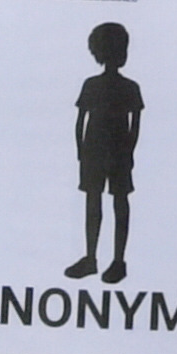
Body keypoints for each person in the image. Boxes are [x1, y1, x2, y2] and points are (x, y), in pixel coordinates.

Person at [66, 22, 142, 282]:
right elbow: (81, 121)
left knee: (117, 201)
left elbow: (134, 124)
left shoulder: (129, 87)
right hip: (96, 149)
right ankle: (91, 258)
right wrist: (81, 150)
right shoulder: (93, 85)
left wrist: (129, 151)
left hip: (115, 150)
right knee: (95, 201)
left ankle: (118, 261)